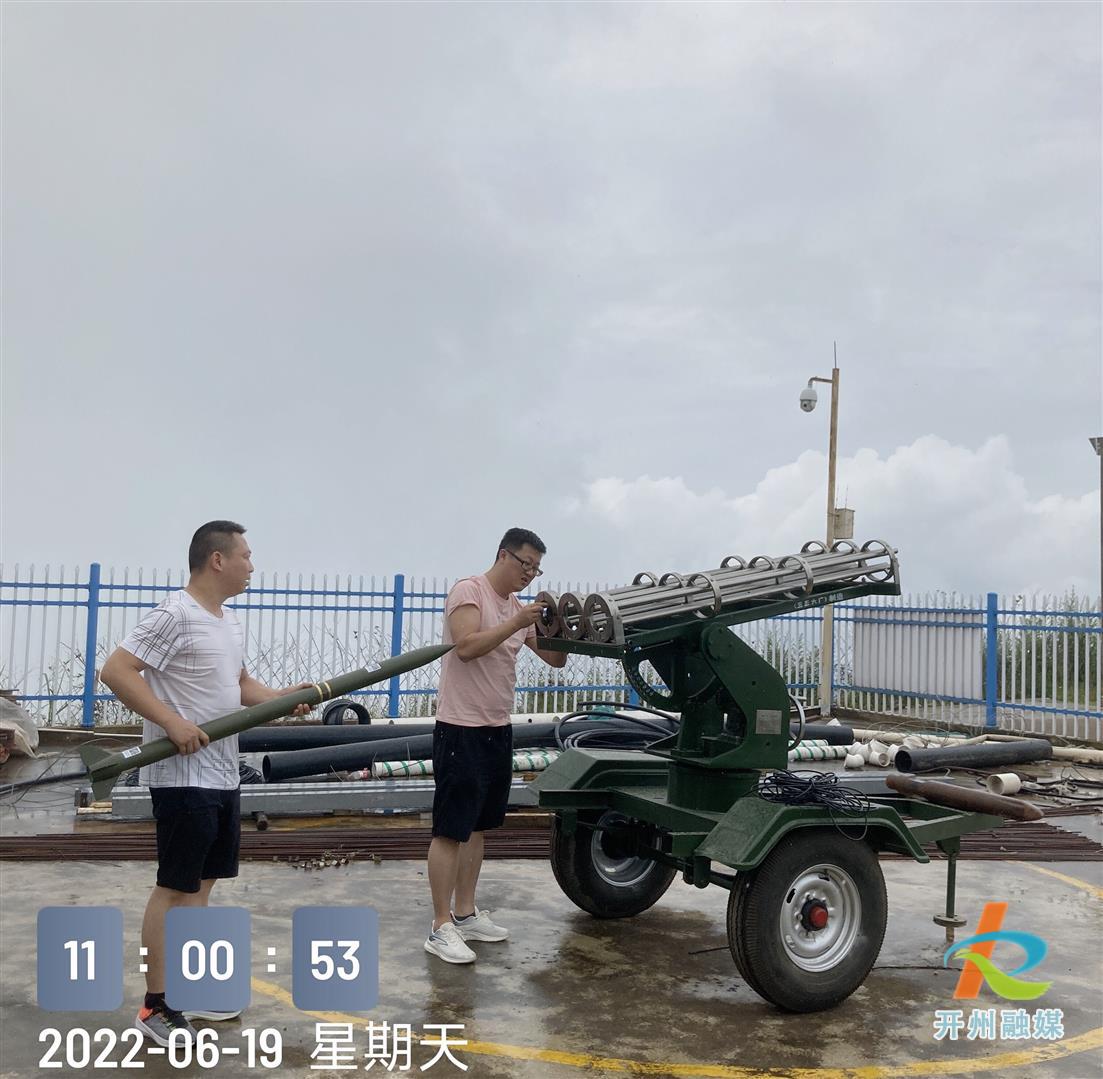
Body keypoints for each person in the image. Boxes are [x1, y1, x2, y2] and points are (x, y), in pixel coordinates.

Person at [100, 521, 312, 1046]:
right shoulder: (176, 614)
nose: (251, 565)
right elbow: (117, 670)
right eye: (245, 555)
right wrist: (171, 721)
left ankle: (187, 992)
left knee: (203, 885)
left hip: (221, 771)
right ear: (217, 560)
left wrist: (283, 698)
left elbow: (239, 686)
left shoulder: (229, 621)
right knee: (174, 887)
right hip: (181, 777)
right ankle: (154, 1008)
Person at [424, 527, 567, 964]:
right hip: (460, 727)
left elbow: (556, 658)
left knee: (480, 826)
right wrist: (518, 621)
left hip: (495, 727)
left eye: (536, 568)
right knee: (450, 829)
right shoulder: (470, 592)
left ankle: (466, 914)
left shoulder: (518, 610)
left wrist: (557, 623)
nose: (529, 574)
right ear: (504, 555)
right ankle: (440, 924)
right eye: (525, 564)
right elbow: (466, 647)